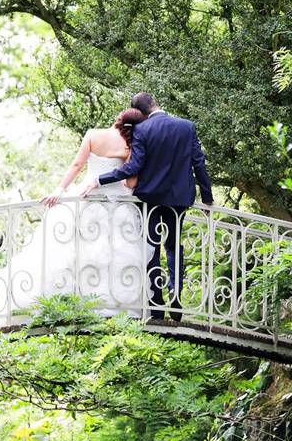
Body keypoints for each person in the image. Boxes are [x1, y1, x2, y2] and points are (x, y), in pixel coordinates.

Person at [0, 109, 149, 319]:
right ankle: (112, 307)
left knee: (73, 249)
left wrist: (59, 190)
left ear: (117, 119)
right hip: (116, 203)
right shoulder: (129, 145)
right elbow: (130, 181)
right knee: (115, 252)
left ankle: (71, 301)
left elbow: (77, 165)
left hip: (86, 196)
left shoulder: (93, 134)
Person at [83, 92, 214, 321]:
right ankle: (176, 293)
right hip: (179, 199)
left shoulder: (142, 130)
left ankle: (156, 302)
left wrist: (100, 180)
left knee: (151, 247)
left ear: (141, 113)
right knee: (173, 246)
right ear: (155, 103)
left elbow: (133, 167)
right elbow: (199, 164)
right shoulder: (186, 127)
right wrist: (207, 198)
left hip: (150, 199)